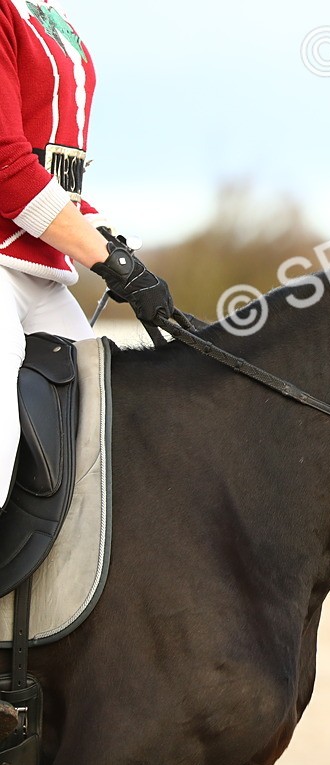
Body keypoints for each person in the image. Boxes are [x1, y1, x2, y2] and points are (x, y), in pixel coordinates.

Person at [1, 0, 189, 504]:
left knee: (100, 428)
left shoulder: (49, 17)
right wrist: (106, 262)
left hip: (37, 273)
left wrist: (115, 250)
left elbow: (55, 175)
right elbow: (6, 169)